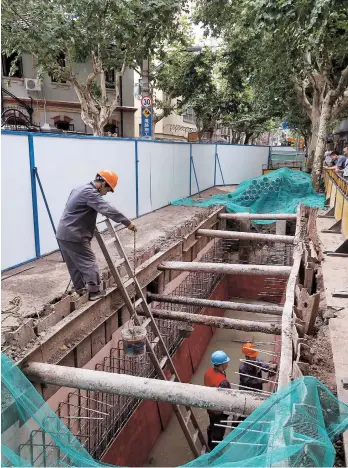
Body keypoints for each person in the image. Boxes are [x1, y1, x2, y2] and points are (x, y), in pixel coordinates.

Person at [56, 170, 137, 301]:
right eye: (108, 190)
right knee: (89, 262)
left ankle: (80, 291)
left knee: (75, 264)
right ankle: (94, 292)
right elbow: (108, 209)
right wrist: (127, 222)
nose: (107, 193)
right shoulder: (90, 193)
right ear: (103, 184)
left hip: (63, 234)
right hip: (74, 235)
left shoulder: (79, 189)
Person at [204, 350, 231, 450]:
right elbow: (227, 399)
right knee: (219, 432)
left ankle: (210, 443)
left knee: (212, 425)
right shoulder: (222, 382)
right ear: (222, 364)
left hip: (210, 407)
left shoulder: (208, 372)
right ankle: (215, 452)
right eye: (226, 362)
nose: (228, 363)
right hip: (219, 411)